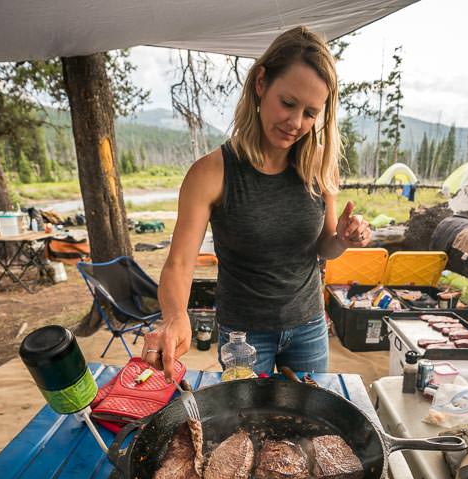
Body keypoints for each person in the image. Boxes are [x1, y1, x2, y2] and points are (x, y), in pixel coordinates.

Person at [143, 26, 371, 381]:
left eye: (311, 113)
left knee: (310, 423)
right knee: (247, 426)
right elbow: (179, 263)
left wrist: (341, 237)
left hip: (309, 325)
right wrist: (175, 316)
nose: (296, 123)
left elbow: (324, 248)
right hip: (243, 334)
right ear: (261, 83)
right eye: (288, 103)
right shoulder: (211, 173)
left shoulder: (320, 164)